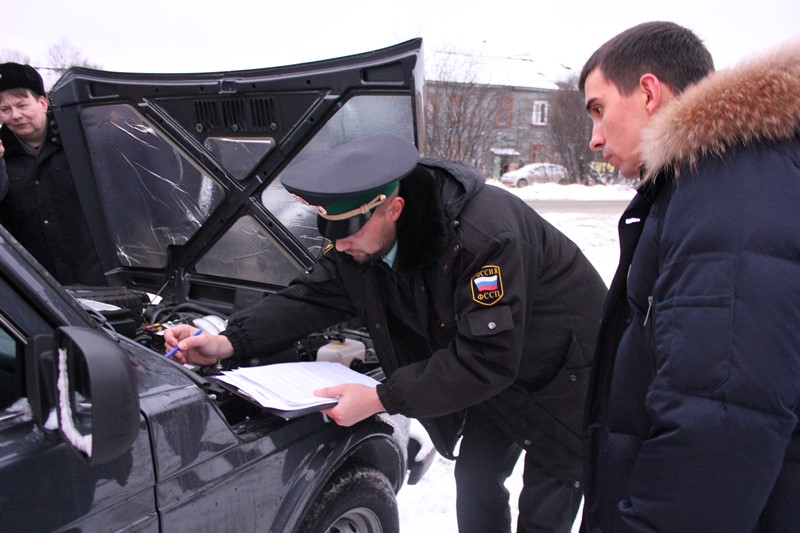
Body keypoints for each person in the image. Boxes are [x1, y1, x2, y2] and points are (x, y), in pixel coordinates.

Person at [166, 135, 607, 532]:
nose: (339, 245)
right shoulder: (360, 242)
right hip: (496, 377)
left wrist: (381, 398)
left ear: (393, 209)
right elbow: (308, 298)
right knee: (475, 479)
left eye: (349, 231)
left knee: (545, 508)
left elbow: (487, 358)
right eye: (330, 232)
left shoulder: (484, 239)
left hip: (563, 374)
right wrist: (228, 341)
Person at [579, 21, 800, 531]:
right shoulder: (710, 182)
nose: (593, 138)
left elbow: (721, 420)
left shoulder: (729, 187)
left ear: (650, 93)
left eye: (598, 109)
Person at [0, 62, 104, 285]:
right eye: (5, 110)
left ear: (42, 102)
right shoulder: (4, 160)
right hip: (44, 289)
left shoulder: (81, 140)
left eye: (22, 105)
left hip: (102, 281)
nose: (15, 116)